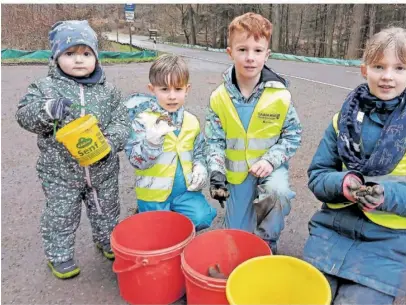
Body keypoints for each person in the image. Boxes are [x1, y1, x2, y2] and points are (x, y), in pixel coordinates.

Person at [302, 27, 406, 304]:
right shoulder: (342, 121)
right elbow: (318, 175)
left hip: (390, 244)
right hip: (332, 231)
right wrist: (342, 184)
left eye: (399, 67)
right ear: (364, 69)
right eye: (378, 66)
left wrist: (386, 195)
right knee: (307, 297)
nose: (387, 76)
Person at [15, 20, 130, 279]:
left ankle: (107, 240)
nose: (79, 60)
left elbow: (122, 122)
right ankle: (60, 255)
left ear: (96, 58)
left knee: (106, 210)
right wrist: (46, 110)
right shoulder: (45, 88)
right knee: (61, 215)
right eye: (70, 53)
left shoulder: (108, 91)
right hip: (61, 174)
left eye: (86, 53)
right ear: (56, 56)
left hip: (103, 171)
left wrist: (111, 142)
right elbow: (23, 115)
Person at [204, 12, 302, 254]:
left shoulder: (280, 95)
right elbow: (214, 140)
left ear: (267, 54)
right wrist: (216, 172)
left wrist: (271, 160)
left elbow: (293, 135)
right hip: (237, 176)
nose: (250, 58)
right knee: (234, 243)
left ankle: (268, 243)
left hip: (270, 169)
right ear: (230, 52)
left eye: (257, 51)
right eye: (242, 50)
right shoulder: (219, 97)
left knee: (277, 194)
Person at [124, 54, 216, 230]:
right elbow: (136, 161)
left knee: (202, 217)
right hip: (153, 194)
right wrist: (151, 143)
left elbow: (199, 151)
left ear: (187, 89)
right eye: (164, 89)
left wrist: (201, 167)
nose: (172, 96)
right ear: (152, 89)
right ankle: (154, 218)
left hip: (184, 192)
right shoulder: (142, 121)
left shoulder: (191, 121)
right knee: (157, 234)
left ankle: (176, 218)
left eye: (178, 89)